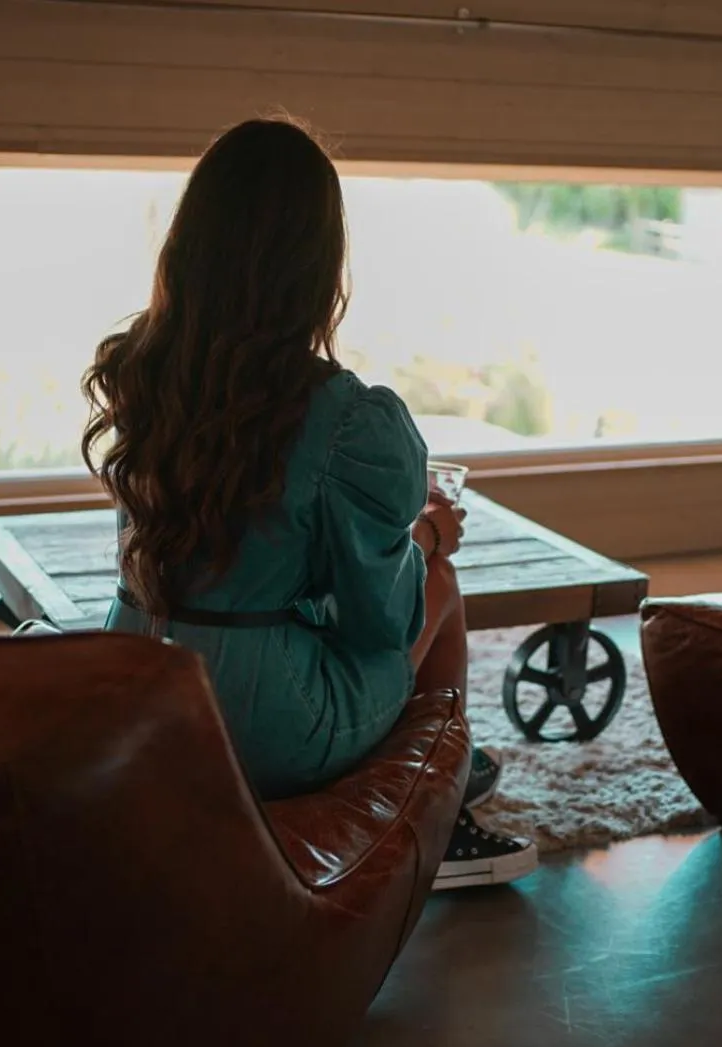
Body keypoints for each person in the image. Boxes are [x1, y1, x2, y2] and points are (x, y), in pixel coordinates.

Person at [83, 118, 535, 891]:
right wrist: (424, 540)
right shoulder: (343, 417)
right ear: (317, 264)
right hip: (265, 727)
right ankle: (439, 811)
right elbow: (376, 623)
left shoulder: (140, 369)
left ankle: (441, 786)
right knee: (442, 591)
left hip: (140, 691)